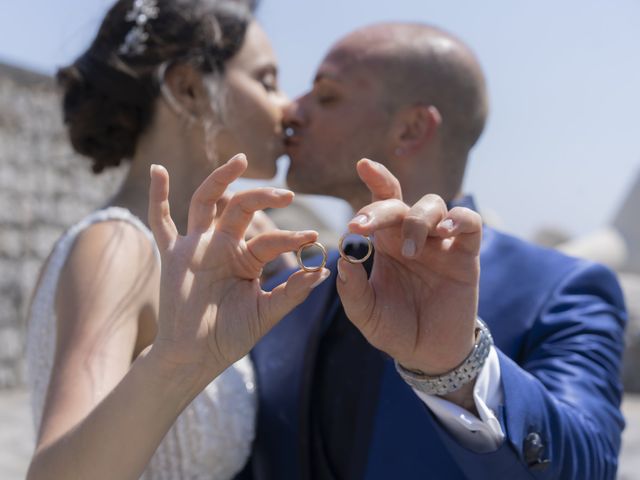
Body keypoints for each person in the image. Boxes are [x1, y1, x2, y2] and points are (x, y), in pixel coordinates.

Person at [239, 23, 628, 479]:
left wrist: (457, 370)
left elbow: (591, 467)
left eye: (326, 96)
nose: (291, 109)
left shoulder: (562, 289)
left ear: (411, 128)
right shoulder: (285, 285)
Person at [25, 1, 329, 479]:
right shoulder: (117, 248)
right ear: (188, 89)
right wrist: (176, 363)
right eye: (266, 80)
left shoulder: (196, 251)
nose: (288, 105)